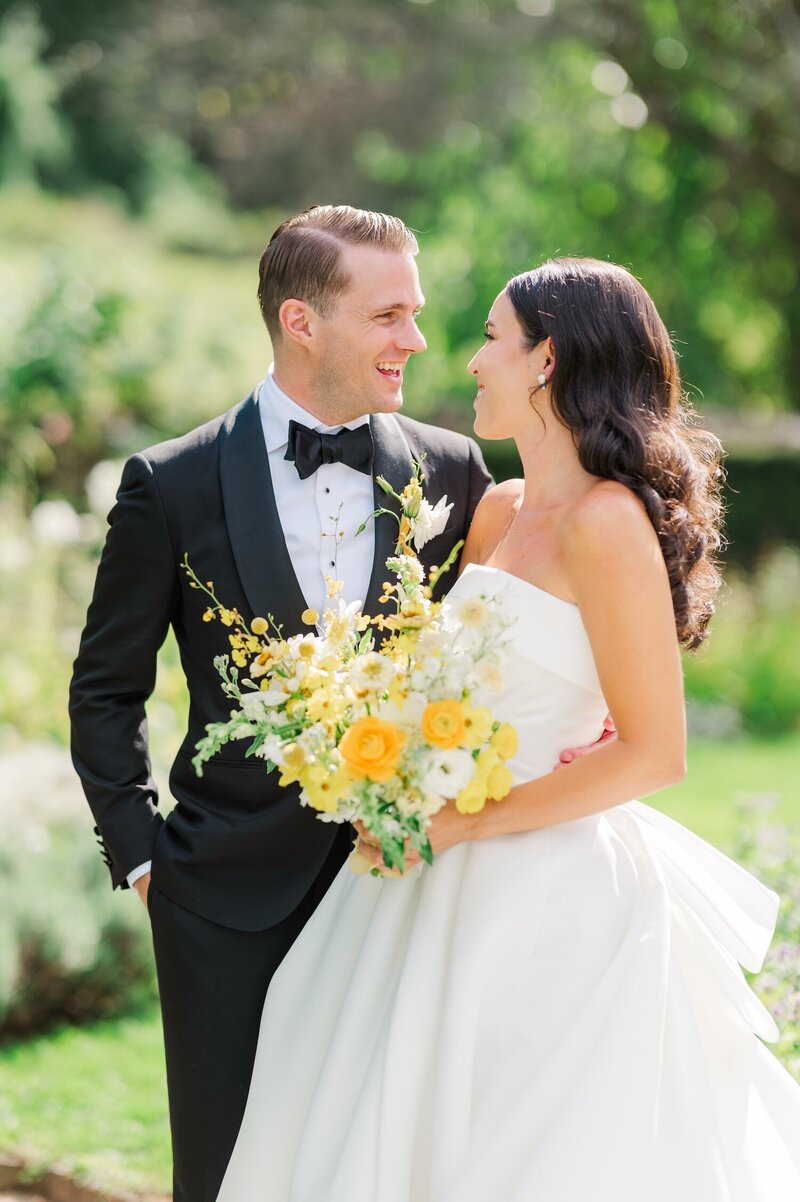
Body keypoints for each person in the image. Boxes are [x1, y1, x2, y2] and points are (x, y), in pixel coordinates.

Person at [215, 258, 800, 1201]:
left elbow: (655, 750)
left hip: (540, 893)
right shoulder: (498, 512)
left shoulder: (607, 525)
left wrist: (464, 824)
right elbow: (457, 683)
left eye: (493, 337)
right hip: (416, 869)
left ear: (547, 361)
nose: (474, 359)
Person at [68, 205, 496, 1202]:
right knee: (224, 1175)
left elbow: (485, 664)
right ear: (302, 321)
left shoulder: (453, 471)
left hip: (406, 891)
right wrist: (143, 857)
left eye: (417, 312)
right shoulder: (169, 484)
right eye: (388, 314)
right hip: (222, 899)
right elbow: (104, 686)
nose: (416, 339)